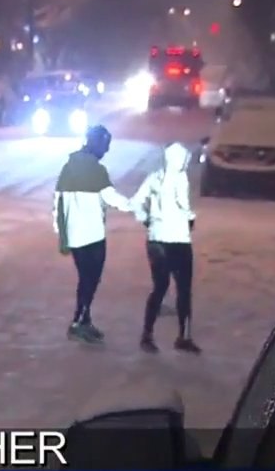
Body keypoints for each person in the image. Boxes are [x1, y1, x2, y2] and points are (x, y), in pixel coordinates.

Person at [54, 125, 133, 343]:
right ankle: (78, 322)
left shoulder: (69, 167)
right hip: (93, 235)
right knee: (91, 280)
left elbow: (58, 204)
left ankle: (84, 320)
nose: (106, 151)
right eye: (105, 146)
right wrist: (135, 205)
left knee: (85, 279)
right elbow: (111, 197)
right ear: (97, 143)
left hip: (75, 235)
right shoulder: (97, 171)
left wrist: (61, 235)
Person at [130, 142, 201, 354]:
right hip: (166, 240)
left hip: (170, 239)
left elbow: (182, 206)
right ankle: (156, 335)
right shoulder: (161, 179)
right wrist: (147, 219)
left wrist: (147, 220)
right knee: (168, 287)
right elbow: (137, 202)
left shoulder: (172, 178)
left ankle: (174, 336)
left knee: (177, 289)